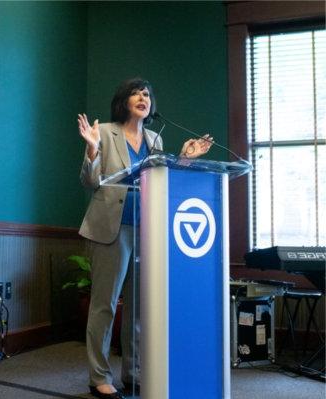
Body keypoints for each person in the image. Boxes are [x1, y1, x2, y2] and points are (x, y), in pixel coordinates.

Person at [77, 78, 213, 399]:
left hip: (145, 230)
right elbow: (90, 182)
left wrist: (183, 158)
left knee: (139, 309)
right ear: (124, 100)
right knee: (105, 306)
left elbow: (161, 183)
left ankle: (134, 373)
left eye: (148, 94)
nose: (144, 97)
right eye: (137, 93)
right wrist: (92, 148)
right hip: (111, 230)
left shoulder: (154, 138)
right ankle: (98, 376)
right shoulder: (105, 132)